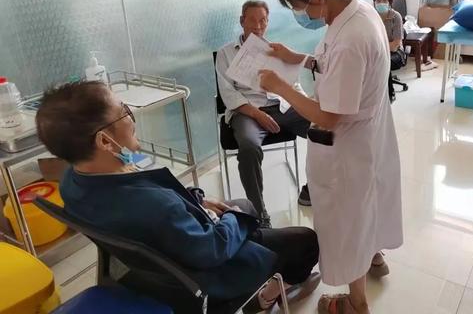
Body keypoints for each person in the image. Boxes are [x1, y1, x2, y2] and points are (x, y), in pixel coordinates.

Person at [35, 81, 320, 311]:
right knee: (305, 239)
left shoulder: (72, 182)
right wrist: (232, 219)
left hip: (155, 265)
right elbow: (212, 248)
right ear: (104, 141)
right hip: (205, 277)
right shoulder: (154, 205)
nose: (131, 116)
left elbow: (157, 192)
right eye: (123, 111)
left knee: (245, 205)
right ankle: (267, 293)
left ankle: (258, 241)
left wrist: (197, 200)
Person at [258, 0, 403, 314]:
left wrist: (280, 87)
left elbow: (328, 115)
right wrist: (299, 57)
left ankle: (356, 304)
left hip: (348, 148)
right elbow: (333, 63)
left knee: (349, 224)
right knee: (364, 210)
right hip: (367, 136)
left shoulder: (351, 37)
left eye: (298, 6)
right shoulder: (358, 11)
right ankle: (373, 256)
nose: (300, 14)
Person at [215, 0, 312, 226]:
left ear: (268, 22)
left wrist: (305, 104)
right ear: (242, 21)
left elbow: (294, 84)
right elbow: (228, 94)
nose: (258, 26)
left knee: (322, 130)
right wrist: (258, 115)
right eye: (252, 20)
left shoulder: (277, 51)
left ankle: (312, 188)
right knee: (249, 148)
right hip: (247, 111)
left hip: (281, 106)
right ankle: (259, 214)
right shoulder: (226, 53)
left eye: (263, 21)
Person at [373, 0, 405, 68]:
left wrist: (377, 48)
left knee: (381, 63)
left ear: (389, 3)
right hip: (378, 52)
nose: (381, 3)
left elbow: (395, 45)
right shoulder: (372, 17)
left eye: (384, 1)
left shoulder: (396, 17)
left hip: (395, 52)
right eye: (378, 1)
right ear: (374, 3)